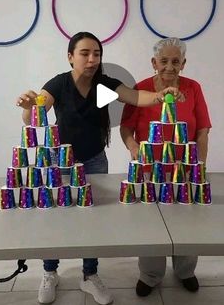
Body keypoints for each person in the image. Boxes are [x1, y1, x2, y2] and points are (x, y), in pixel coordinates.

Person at [16, 32, 182, 305]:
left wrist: (160, 95)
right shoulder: (59, 84)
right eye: (84, 53)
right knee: (55, 218)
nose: (92, 59)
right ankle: (50, 272)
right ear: (70, 57)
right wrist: (27, 107)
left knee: (93, 220)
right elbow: (35, 111)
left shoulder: (103, 84)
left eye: (97, 53)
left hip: (94, 159)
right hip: (61, 163)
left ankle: (89, 275)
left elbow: (135, 96)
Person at [120, 37, 211, 297]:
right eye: (164, 61)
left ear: (183, 63)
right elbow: (126, 127)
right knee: (149, 222)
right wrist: (134, 148)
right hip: (149, 167)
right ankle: (150, 275)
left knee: (187, 220)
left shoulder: (193, 88)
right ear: (154, 63)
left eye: (175, 61)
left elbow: (202, 130)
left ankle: (185, 270)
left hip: (183, 167)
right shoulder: (142, 89)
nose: (169, 67)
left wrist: (199, 164)